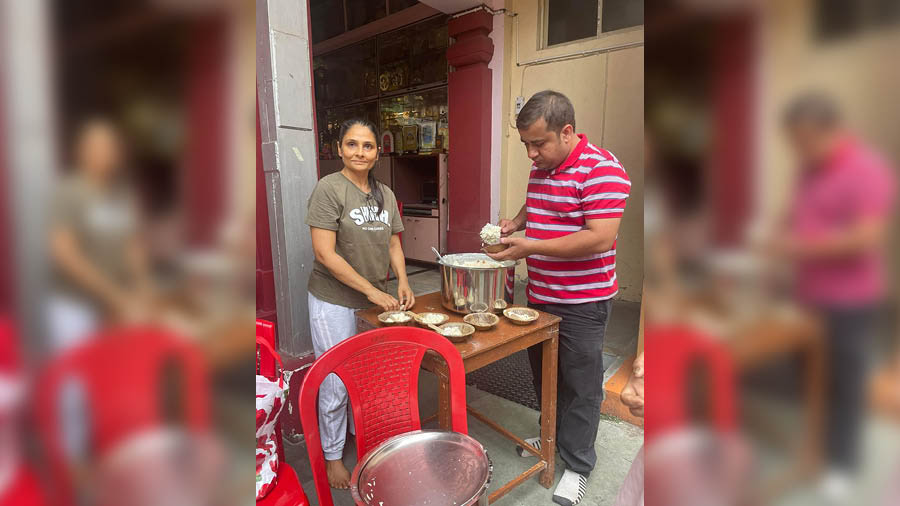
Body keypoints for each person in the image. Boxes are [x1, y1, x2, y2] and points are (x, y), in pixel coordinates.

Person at [487, 90, 631, 505]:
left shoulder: (601, 170)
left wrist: (530, 247)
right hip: (541, 295)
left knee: (581, 386)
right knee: (545, 375)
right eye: (526, 145)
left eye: (539, 143)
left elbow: (600, 238)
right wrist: (516, 222)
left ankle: (578, 464)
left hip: (583, 302)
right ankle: (551, 434)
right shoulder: (544, 165)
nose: (532, 155)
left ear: (567, 132)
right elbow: (537, 204)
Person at [775, 92, 896, 501]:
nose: (798, 149)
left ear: (827, 131)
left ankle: (842, 465)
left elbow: (867, 236)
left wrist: (798, 248)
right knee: (810, 374)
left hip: (849, 298)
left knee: (845, 380)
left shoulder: (866, 169)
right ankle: (810, 446)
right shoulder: (810, 169)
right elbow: (794, 216)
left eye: (802, 140)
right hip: (806, 293)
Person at [306, 118, 415, 489]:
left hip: (374, 300)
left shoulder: (384, 193)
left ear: (377, 152)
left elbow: (393, 244)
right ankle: (333, 456)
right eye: (351, 145)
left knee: (365, 374)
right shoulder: (329, 189)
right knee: (335, 380)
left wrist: (401, 281)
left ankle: (362, 436)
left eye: (367, 146)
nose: (359, 152)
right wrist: (373, 293)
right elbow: (324, 253)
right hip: (334, 300)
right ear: (339, 149)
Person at [47, 118, 152, 352]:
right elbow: (64, 255)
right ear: (81, 151)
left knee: (112, 374)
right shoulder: (69, 191)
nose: (103, 153)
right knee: (76, 381)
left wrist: (143, 288)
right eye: (95, 146)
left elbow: (133, 245)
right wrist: (116, 296)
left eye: (109, 147)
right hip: (75, 307)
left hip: (115, 306)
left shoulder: (122, 194)